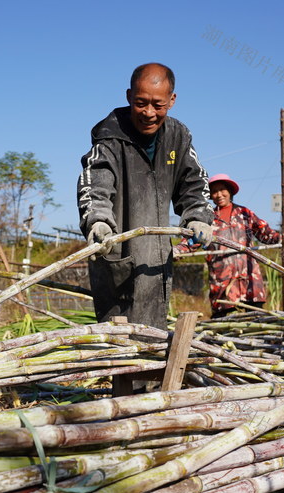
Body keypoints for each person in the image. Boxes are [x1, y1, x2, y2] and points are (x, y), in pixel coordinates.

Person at [77, 63, 215, 330]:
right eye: (141, 103)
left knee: (152, 339)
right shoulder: (109, 139)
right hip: (117, 253)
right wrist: (98, 221)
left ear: (172, 100)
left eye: (158, 105)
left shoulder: (178, 137)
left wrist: (198, 216)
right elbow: (95, 184)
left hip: (157, 260)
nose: (149, 113)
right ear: (129, 96)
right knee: (118, 346)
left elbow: (194, 182)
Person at [176, 173, 282, 317]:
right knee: (223, 323)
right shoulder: (208, 219)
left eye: (222, 190)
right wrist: (177, 251)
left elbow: (266, 234)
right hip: (222, 281)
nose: (219, 195)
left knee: (257, 318)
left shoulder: (245, 214)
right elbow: (191, 242)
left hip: (249, 278)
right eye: (214, 191)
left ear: (230, 191)